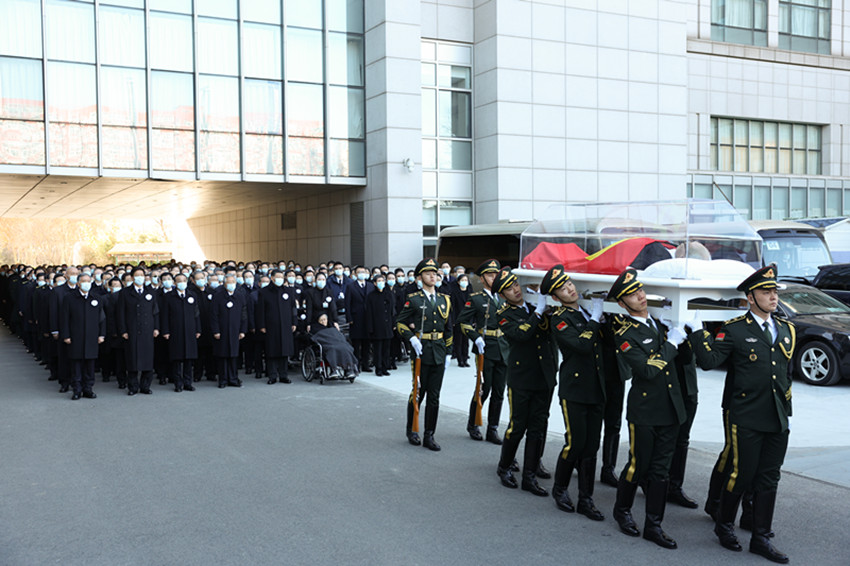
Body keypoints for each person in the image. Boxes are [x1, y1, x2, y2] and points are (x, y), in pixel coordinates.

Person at [689, 265, 794, 564]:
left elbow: (784, 373)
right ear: (750, 297)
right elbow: (709, 361)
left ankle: (761, 537)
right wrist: (697, 333)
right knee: (742, 473)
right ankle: (724, 525)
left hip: (777, 416)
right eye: (766, 292)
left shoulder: (787, 329)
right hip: (746, 414)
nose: (773, 297)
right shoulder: (734, 329)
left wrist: (786, 407)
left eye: (775, 292)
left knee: (770, 477)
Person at [609, 268, 686, 550]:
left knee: (661, 469)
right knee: (638, 464)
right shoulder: (624, 332)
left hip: (670, 408)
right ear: (622, 303)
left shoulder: (661, 323)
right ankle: (622, 510)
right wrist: (671, 343)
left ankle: (654, 525)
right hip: (645, 410)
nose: (640, 296)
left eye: (640, 290)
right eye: (632, 294)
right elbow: (646, 370)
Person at [540, 265, 605, 521]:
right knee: (575, 443)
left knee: (591, 446)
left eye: (569, 284)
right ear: (555, 297)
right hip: (575, 390)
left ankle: (586, 499)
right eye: (562, 289)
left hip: (596, 387)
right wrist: (594, 320)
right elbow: (582, 345)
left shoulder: (586, 312)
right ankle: (560, 488)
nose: (569, 289)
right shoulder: (559, 319)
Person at [492, 268, 557, 497]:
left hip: (544, 374)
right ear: (502, 295)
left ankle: (530, 474)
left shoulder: (533, 304)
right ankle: (505, 466)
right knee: (518, 425)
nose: (515, 290)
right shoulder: (503, 314)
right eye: (509, 289)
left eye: (515, 285)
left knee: (538, 425)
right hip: (522, 377)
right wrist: (538, 312)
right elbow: (522, 334)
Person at [396, 258, 453, 451]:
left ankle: (430, 434)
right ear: (420, 277)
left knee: (435, 396)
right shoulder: (414, 299)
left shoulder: (445, 300)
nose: (432, 277)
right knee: (418, 392)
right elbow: (400, 322)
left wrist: (449, 352)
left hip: (439, 349)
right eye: (428, 274)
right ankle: (412, 429)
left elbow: (449, 328)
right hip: (421, 351)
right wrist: (412, 338)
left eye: (435, 274)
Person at [457, 259, 509, 444]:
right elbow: (462, 322)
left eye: (496, 274)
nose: (494, 278)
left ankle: (493, 428)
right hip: (485, 348)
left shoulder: (505, 297)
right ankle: (473, 424)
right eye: (490, 275)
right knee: (483, 389)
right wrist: (475, 337)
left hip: (503, 348)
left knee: (499, 391)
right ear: (482, 278)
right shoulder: (476, 298)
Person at [59, 273, 105, 400]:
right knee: (76, 364)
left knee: (90, 365)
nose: (86, 283)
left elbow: (102, 319)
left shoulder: (96, 298)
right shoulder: (69, 298)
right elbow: (64, 319)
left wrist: (101, 334)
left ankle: (88, 388)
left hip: (92, 337)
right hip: (75, 337)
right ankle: (77, 389)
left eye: (88, 281)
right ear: (78, 283)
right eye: (83, 281)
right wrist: (66, 335)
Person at [117, 267, 160, 395]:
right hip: (132, 330)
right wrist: (123, 330)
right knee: (132, 358)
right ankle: (133, 387)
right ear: (132, 277)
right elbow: (120, 313)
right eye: (137, 275)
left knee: (148, 359)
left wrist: (156, 328)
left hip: (148, 330)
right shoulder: (125, 293)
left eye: (142, 275)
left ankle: (145, 386)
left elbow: (155, 311)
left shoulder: (150, 291)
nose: (140, 277)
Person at [161, 274, 201, 392]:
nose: (182, 283)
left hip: (190, 330)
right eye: (179, 281)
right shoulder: (169, 296)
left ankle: (188, 382)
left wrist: (198, 329)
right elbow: (165, 315)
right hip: (175, 330)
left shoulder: (192, 295)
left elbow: (196, 314)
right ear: (175, 283)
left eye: (184, 280)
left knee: (189, 358)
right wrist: (166, 331)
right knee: (177, 358)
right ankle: (178, 383)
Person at [257, 270, 296, 385]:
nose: (280, 279)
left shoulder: (288, 291)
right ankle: (272, 375)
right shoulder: (264, 292)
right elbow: (260, 310)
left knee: (285, 350)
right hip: (271, 325)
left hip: (286, 325)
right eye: (278, 277)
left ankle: (283, 375)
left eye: (282, 277)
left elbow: (293, 308)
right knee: (272, 350)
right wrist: (262, 325)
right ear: (272, 278)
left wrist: (294, 322)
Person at [210, 275, 247, 388]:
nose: (231, 284)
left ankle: (233, 378)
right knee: (223, 355)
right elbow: (214, 315)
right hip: (222, 330)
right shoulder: (218, 296)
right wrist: (216, 330)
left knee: (234, 355)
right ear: (224, 284)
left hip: (235, 330)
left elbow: (244, 314)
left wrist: (243, 330)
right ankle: (223, 379)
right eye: (229, 282)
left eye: (233, 282)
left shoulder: (240, 296)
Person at [309, 314, 358, 378]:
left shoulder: (332, 327)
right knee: (332, 349)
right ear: (318, 321)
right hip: (328, 344)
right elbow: (317, 338)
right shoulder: (316, 329)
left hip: (338, 342)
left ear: (327, 320)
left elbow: (339, 336)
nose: (323, 321)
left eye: (324, 320)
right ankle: (334, 370)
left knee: (346, 348)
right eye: (321, 320)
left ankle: (349, 369)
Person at [345, 265, 374, 372]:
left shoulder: (370, 286)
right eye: (359, 272)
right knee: (356, 344)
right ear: (355, 274)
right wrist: (349, 318)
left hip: (368, 318)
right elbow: (347, 304)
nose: (362, 274)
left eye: (363, 272)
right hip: (356, 318)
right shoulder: (350, 286)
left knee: (367, 343)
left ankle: (366, 364)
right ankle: (356, 365)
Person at [366, 274, 395, 376]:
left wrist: (393, 323)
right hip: (377, 326)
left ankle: (385, 367)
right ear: (374, 283)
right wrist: (370, 327)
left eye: (382, 281)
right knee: (378, 349)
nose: (381, 283)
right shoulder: (371, 296)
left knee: (386, 349)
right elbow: (369, 313)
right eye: (379, 281)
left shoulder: (388, 294)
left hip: (387, 325)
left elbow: (392, 311)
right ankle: (378, 368)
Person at [450, 273, 472, 367]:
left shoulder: (470, 292)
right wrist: (453, 320)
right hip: (458, 319)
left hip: (468, 320)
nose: (464, 282)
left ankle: (465, 358)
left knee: (466, 342)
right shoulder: (454, 292)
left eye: (466, 280)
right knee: (458, 341)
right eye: (462, 280)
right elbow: (452, 308)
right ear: (458, 282)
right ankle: (460, 360)